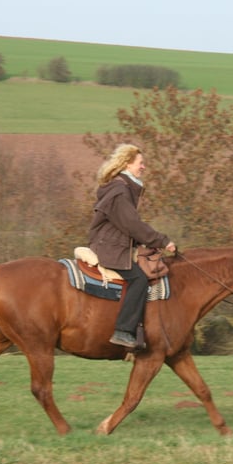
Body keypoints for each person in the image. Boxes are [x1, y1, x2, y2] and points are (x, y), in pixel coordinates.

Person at [88, 144, 177, 349]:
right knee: (138, 279)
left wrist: (143, 245)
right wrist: (162, 241)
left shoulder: (120, 187)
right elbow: (131, 224)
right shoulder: (120, 191)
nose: (143, 167)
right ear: (127, 164)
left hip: (114, 245)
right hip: (110, 248)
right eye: (140, 163)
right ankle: (123, 330)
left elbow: (126, 226)